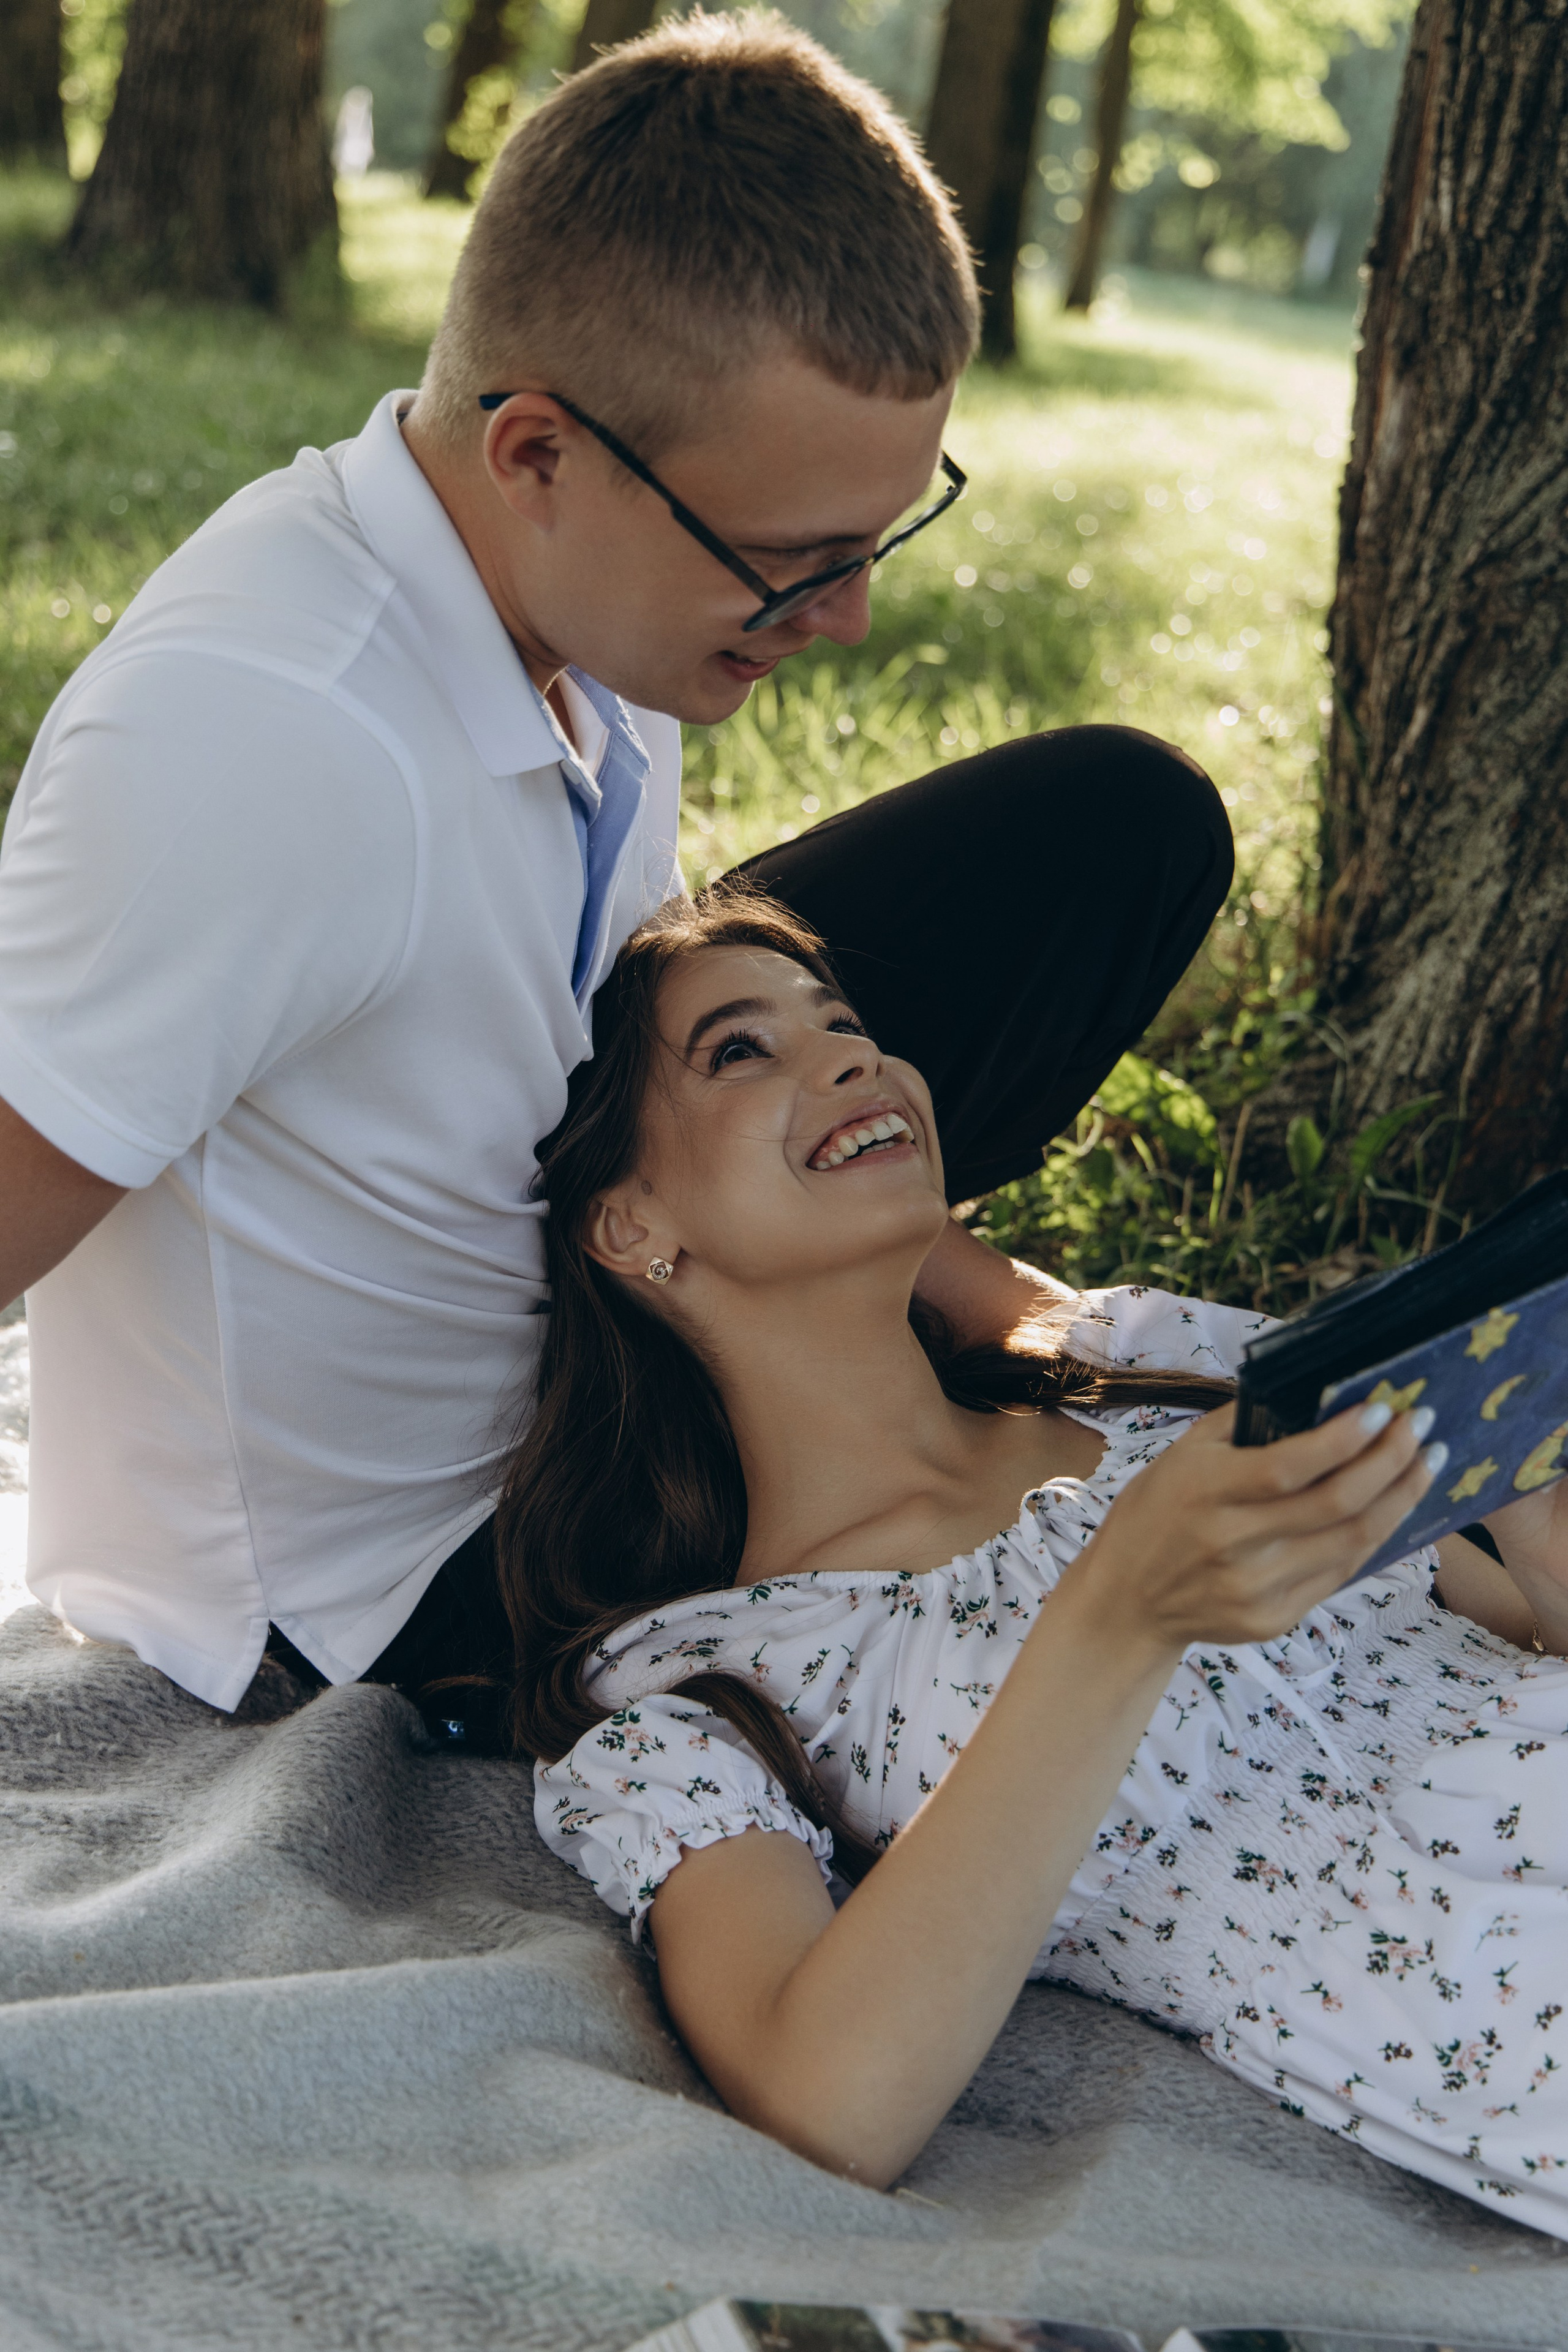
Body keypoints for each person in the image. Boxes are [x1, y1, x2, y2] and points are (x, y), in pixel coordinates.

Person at [0, 13, 1229, 1738]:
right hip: (429, 1557)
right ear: (537, 456)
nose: (851, 616)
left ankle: (889, 1338)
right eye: (790, 562)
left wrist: (998, 1303)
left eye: (877, 540)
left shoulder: (585, 612)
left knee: (1116, 823)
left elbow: (618, 1021)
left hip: (610, 1285)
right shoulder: (257, 745)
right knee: (1144, 1612)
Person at [519, 886, 1568, 2235]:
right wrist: (1115, 1619)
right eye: (741, 1049)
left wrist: (1533, 1506)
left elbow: (1497, 1629)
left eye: (843, 1023)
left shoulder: (1148, 1384)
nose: (854, 1057)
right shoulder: (700, 1686)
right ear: (627, 1226)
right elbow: (820, 2104)